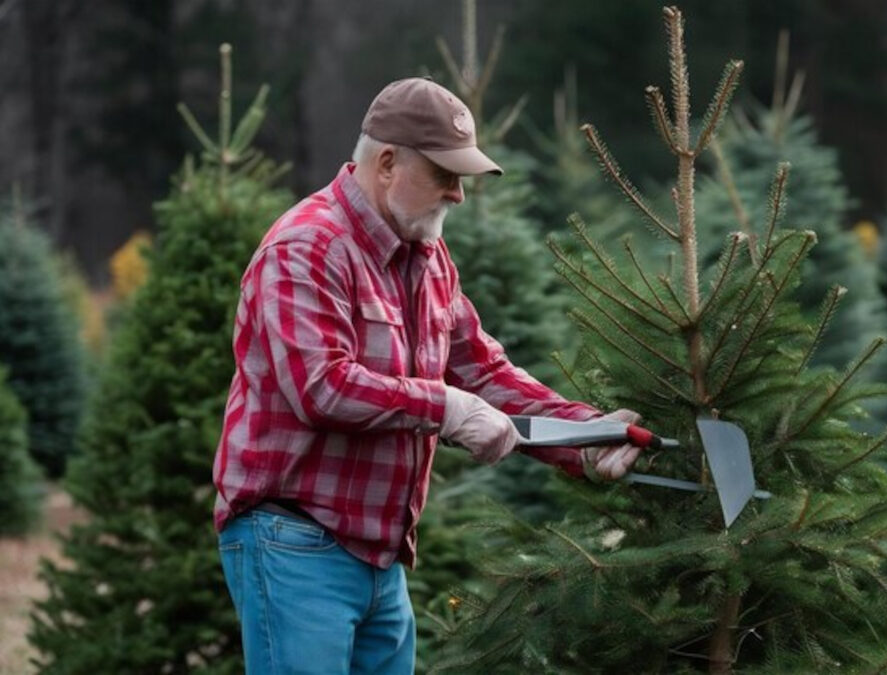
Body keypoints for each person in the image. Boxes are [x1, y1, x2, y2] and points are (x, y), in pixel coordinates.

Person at [212, 77, 643, 674]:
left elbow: (484, 371)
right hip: (295, 542)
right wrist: (448, 409)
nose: (459, 195)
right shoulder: (306, 247)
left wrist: (589, 436)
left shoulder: (427, 256)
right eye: (445, 175)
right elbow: (322, 386)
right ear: (387, 162)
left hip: (379, 556)